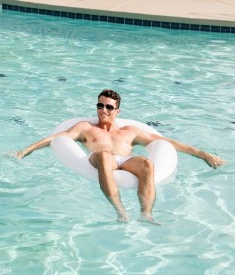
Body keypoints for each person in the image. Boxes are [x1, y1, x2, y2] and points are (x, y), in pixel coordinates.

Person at [15, 88, 226, 224]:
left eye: (108, 107)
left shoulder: (130, 131)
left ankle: (146, 214)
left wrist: (202, 155)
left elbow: (165, 143)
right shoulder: (86, 127)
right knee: (105, 156)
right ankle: (120, 211)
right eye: (100, 105)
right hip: (99, 159)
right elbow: (57, 138)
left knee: (146, 163)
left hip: (125, 162)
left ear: (117, 110)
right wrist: (26, 150)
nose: (103, 110)